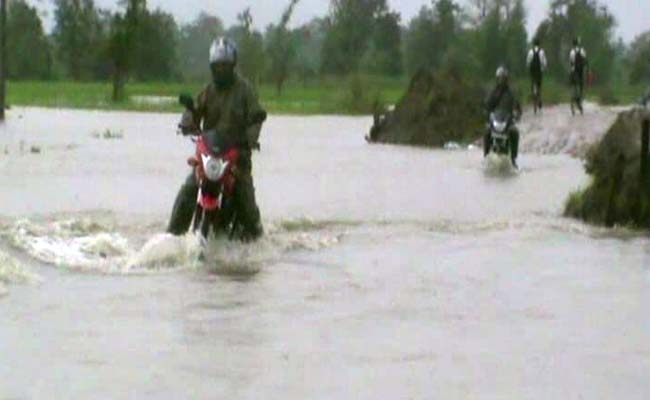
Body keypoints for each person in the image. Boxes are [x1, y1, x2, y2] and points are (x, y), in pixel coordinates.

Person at [167, 37, 265, 240]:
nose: (220, 70)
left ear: (232, 66)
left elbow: (257, 117)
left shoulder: (245, 90)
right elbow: (194, 110)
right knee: (188, 189)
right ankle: (172, 236)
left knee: (245, 199)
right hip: (209, 157)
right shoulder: (208, 91)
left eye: (224, 66)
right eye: (217, 66)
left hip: (236, 158)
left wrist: (250, 138)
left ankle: (257, 240)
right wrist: (187, 122)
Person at [484, 66, 522, 168]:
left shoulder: (511, 93)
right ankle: (486, 155)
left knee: (515, 133)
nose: (502, 80)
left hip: (508, 120)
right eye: (500, 78)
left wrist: (517, 114)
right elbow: (487, 104)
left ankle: (513, 158)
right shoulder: (493, 92)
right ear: (497, 79)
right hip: (495, 120)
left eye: (503, 78)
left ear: (506, 79)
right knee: (487, 132)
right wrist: (487, 113)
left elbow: (517, 106)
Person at [526, 37, 548, 112]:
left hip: (533, 71)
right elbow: (544, 62)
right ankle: (539, 98)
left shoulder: (530, 52)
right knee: (539, 85)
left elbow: (528, 61)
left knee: (533, 83)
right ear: (539, 44)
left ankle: (533, 94)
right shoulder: (542, 51)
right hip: (539, 71)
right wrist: (544, 68)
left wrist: (528, 68)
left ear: (533, 44)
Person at [569, 37, 589, 115]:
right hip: (580, 71)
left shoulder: (571, 52)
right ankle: (579, 100)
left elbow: (570, 62)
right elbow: (585, 61)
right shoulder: (582, 50)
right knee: (581, 86)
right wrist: (586, 68)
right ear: (578, 43)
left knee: (572, 85)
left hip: (573, 71)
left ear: (573, 44)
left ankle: (572, 100)